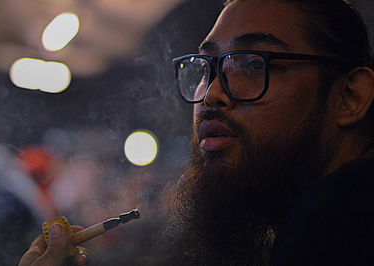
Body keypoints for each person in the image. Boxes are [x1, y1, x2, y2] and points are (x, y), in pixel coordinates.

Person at [19, 0, 374, 265]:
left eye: (253, 64)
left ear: (350, 96)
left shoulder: (340, 225)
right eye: (206, 67)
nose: (212, 93)